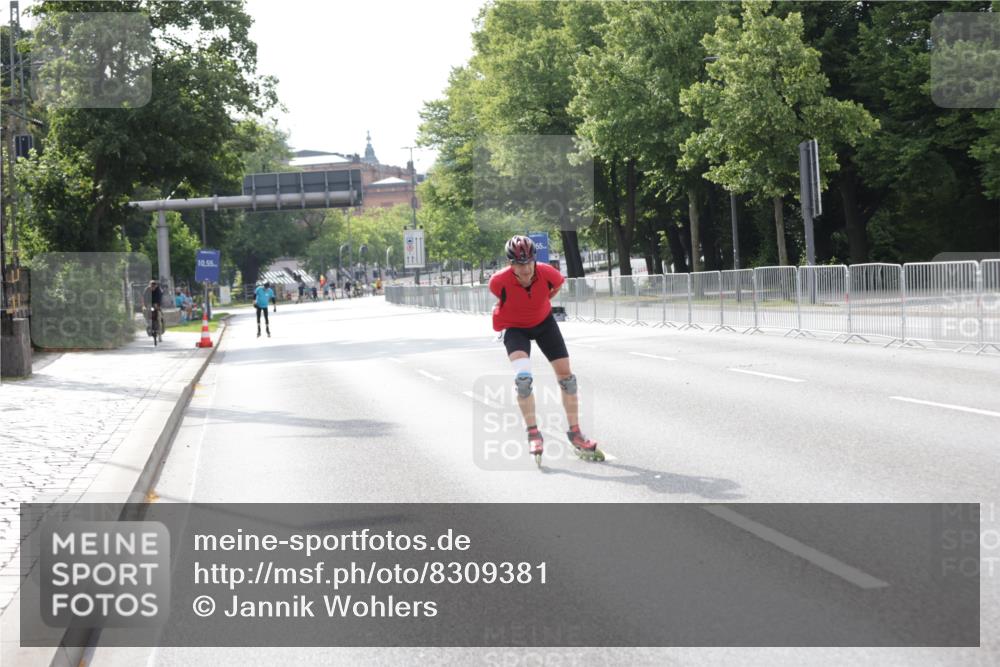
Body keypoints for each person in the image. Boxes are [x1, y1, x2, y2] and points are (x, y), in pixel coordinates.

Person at [489, 235, 599, 461]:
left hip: (544, 324)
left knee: (567, 378)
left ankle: (575, 433)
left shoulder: (548, 273)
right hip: (515, 328)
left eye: (529, 262)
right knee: (523, 381)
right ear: (511, 264)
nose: (526, 268)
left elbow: (555, 287)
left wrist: (539, 304)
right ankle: (533, 433)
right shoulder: (498, 281)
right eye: (520, 264)